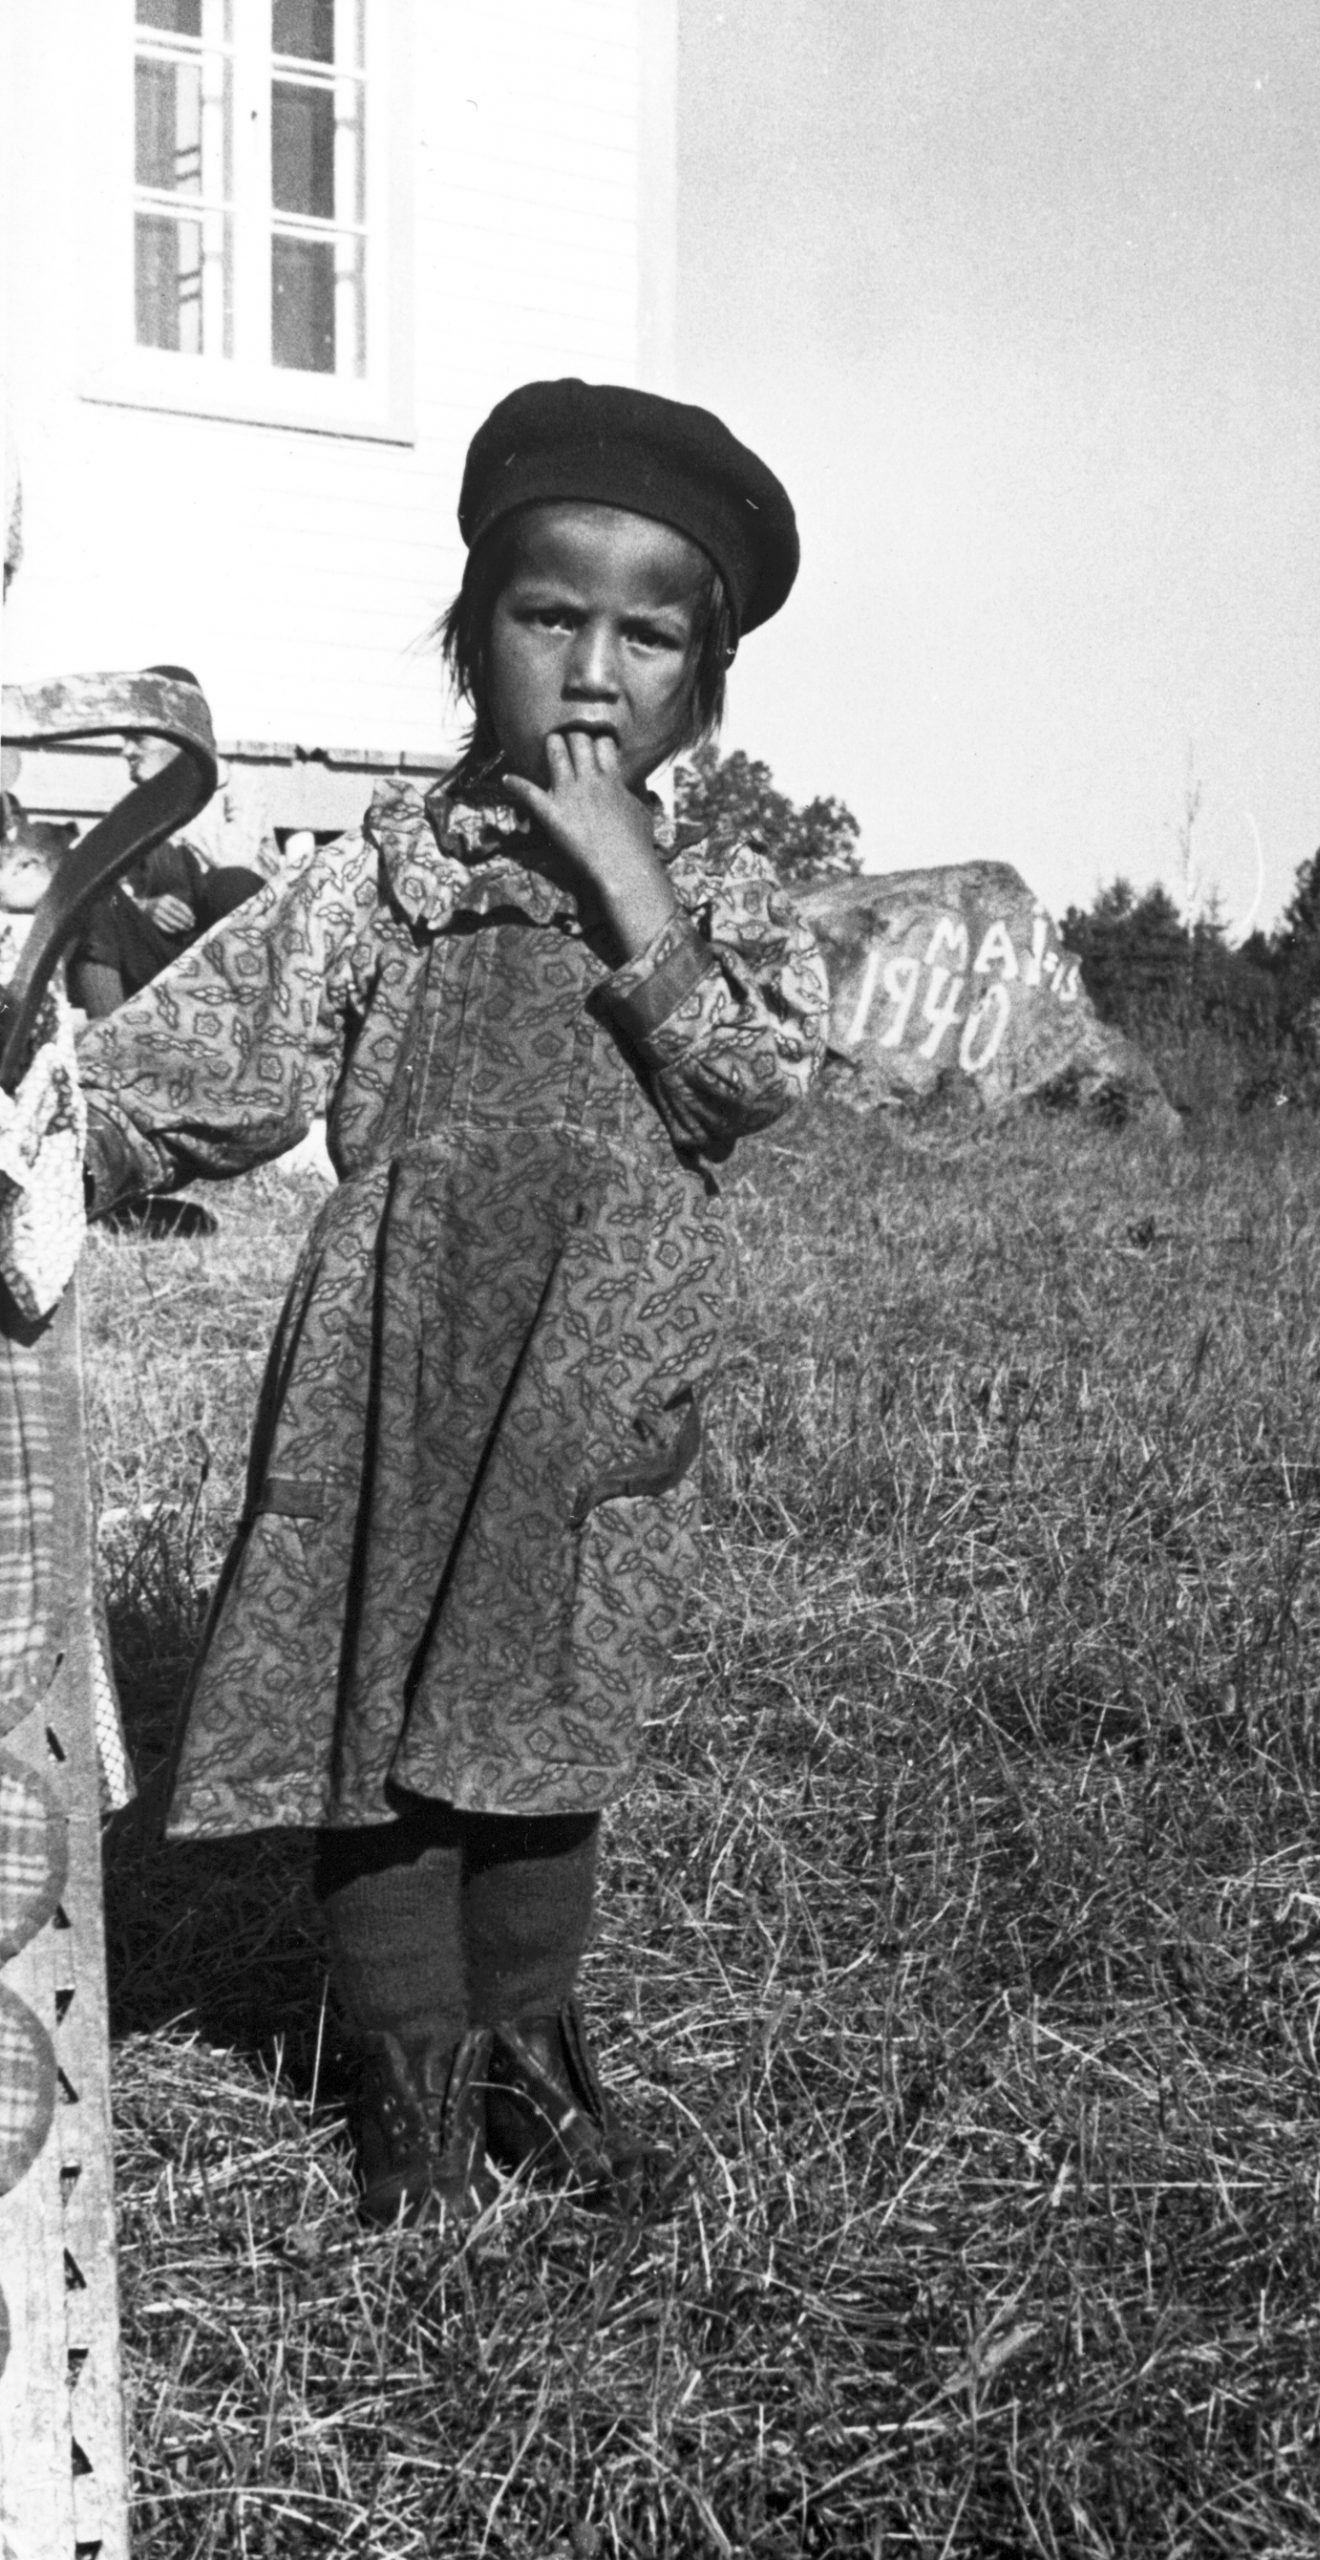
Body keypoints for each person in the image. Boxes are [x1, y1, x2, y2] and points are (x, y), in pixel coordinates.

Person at [76, 380, 829, 2224]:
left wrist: (633, 888)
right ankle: (406, 2084)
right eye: (545, 615)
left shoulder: (721, 893)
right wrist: (63, 1126)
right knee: (372, 1727)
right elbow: (202, 1072)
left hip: (586, 1382)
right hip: (385, 1368)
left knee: (530, 1723)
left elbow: (745, 1079)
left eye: (647, 634)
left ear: (703, 680)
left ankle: (534, 2056)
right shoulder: (381, 885)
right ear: (469, 632)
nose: (591, 669)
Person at [68, 691, 268, 1018]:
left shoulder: (240, 785)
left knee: (232, 883)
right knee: (97, 896)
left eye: (138, 739)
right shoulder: (137, 804)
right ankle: (105, 1039)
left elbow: (236, 861)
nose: (125, 751)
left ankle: (246, 1025)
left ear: (181, 739)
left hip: (228, 956)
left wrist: (182, 796)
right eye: (124, 740)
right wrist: (144, 907)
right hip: (164, 955)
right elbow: (83, 868)